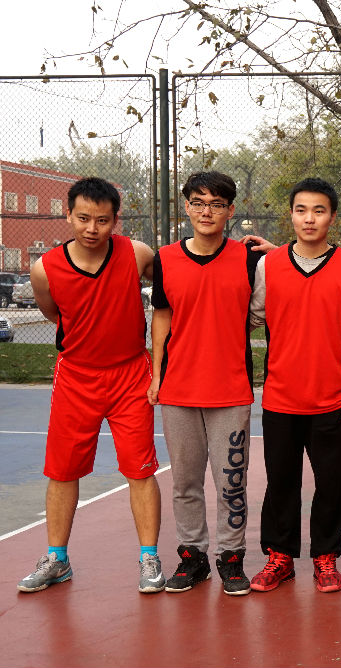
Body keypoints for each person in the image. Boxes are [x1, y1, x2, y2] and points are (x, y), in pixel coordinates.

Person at [17, 177, 164, 594]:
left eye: (102, 220)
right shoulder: (44, 269)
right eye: (83, 218)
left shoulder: (136, 254)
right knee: (62, 471)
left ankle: (149, 557)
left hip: (130, 375)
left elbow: (178, 281)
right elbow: (56, 314)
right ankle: (57, 559)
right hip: (76, 377)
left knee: (140, 469)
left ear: (116, 220)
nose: (91, 228)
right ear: (68, 215)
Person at [247, 177, 341, 593]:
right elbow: (252, 317)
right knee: (281, 482)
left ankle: (325, 556)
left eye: (319, 210)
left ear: (332, 217)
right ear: (292, 215)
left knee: (332, 484)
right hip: (280, 397)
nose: (309, 218)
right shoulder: (269, 265)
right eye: (301, 210)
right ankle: (279, 557)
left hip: (330, 399)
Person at [148, 171, 262, 596]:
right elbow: (162, 316)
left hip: (230, 390)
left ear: (230, 211)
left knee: (231, 481)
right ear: (187, 207)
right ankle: (192, 557)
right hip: (178, 389)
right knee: (185, 483)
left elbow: (275, 292)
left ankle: (231, 557)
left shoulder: (249, 260)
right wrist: (156, 375)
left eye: (216, 204)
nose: (206, 211)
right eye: (198, 202)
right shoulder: (166, 258)